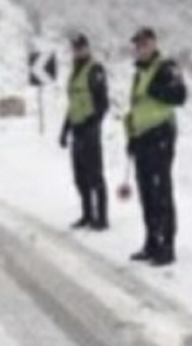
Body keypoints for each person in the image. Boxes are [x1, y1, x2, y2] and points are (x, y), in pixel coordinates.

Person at [124, 27, 187, 266]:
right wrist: (131, 137)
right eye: (137, 45)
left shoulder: (166, 67)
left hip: (161, 135)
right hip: (142, 137)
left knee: (161, 192)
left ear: (153, 44)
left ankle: (167, 246)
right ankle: (151, 242)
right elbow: (136, 108)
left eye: (144, 44)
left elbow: (180, 96)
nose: (140, 49)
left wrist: (156, 90)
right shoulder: (139, 74)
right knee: (146, 193)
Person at [60, 33, 110, 231]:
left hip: (90, 130)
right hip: (77, 130)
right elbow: (72, 105)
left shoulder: (94, 70)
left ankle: (102, 217)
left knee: (95, 175)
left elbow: (102, 102)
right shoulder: (74, 74)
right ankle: (87, 214)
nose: (78, 52)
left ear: (88, 48)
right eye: (75, 48)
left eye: (81, 48)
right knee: (80, 177)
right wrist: (65, 130)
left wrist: (94, 123)